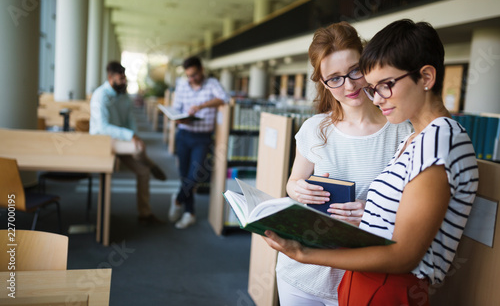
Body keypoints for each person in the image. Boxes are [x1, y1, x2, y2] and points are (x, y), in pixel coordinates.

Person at [264, 19, 479, 306]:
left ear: (426, 78)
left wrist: (304, 253)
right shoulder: (417, 138)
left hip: (380, 280)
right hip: (354, 278)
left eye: (384, 84)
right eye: (375, 86)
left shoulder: (432, 139)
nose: (375, 97)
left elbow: (404, 255)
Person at [275, 22, 413, 305]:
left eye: (355, 71)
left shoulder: (404, 130)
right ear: (323, 83)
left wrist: (373, 212)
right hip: (303, 272)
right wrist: (297, 190)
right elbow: (293, 182)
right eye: (334, 78)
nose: (349, 85)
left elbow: (415, 208)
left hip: (364, 276)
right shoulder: (315, 128)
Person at [90, 61, 167, 225]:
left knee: (143, 172)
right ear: (110, 78)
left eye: (125, 78)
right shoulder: (100, 96)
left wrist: (135, 135)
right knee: (137, 148)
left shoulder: (124, 96)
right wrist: (130, 135)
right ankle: (150, 163)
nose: (124, 82)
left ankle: (145, 214)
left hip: (119, 139)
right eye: (121, 78)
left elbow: (130, 120)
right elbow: (103, 127)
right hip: (101, 140)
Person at [168, 56, 229, 229]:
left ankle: (178, 200)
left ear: (201, 69)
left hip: (202, 138)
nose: (191, 79)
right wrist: (181, 120)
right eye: (189, 76)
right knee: (184, 176)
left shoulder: (212, 83)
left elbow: (224, 98)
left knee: (194, 176)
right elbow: (177, 109)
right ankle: (190, 213)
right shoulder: (182, 85)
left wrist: (201, 106)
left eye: (194, 75)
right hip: (184, 135)